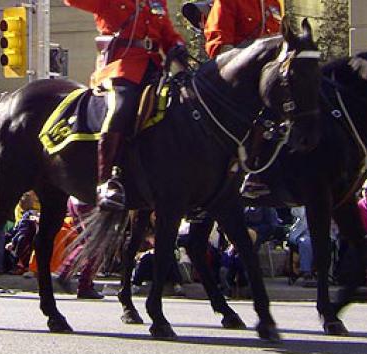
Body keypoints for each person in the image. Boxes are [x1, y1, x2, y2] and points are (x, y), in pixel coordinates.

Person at [63, 0, 187, 211]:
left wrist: (177, 46)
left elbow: (166, 32)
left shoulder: (156, 2)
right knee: (120, 107)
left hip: (155, 69)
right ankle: (106, 181)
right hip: (121, 68)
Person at [204, 0, 282, 198]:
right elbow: (218, 44)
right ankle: (251, 173)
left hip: (270, 80)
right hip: (240, 83)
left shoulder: (273, 4)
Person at [203, 0, 282, 59]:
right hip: (239, 69)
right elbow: (219, 43)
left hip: (271, 66)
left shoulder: (273, 3)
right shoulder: (228, 1)